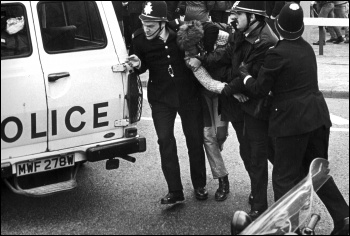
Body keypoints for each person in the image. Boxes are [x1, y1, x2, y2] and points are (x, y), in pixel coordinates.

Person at [236, 3, 349, 234]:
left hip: (291, 124)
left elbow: (258, 89)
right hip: (317, 118)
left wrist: (245, 75)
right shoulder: (307, 48)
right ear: (300, 28)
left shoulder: (276, 53)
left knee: (284, 179)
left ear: (278, 25)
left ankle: (290, 229)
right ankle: (344, 218)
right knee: (317, 172)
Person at [188, 1, 278, 220]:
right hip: (239, 105)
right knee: (247, 152)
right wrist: (202, 59)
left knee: (262, 154)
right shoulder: (240, 32)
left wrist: (227, 88)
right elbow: (226, 58)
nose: (233, 18)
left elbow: (249, 75)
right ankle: (259, 194)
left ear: (254, 17)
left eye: (239, 14)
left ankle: (262, 205)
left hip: (256, 107)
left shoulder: (266, 42)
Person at [127, 1, 208, 204]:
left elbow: (198, 50)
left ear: (163, 23)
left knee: (194, 140)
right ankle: (175, 191)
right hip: (161, 97)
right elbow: (143, 64)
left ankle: (199, 185)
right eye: (144, 23)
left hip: (187, 94)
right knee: (165, 141)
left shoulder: (180, 32)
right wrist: (138, 66)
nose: (146, 28)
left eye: (151, 25)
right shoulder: (139, 38)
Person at [177, 20, 231, 201]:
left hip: (225, 93)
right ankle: (223, 179)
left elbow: (226, 56)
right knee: (208, 137)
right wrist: (229, 89)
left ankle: (218, 147)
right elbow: (207, 81)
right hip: (209, 92)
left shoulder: (222, 37)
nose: (191, 52)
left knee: (220, 135)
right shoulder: (188, 54)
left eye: (195, 48)